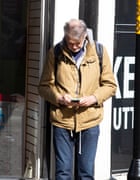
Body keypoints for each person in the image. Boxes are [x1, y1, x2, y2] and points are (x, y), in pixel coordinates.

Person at [38, 19, 117, 179]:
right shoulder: (56, 53)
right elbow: (44, 86)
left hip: (89, 122)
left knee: (86, 173)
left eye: (77, 43)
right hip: (62, 122)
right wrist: (59, 98)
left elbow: (110, 86)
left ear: (85, 37)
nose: (73, 47)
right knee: (63, 172)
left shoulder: (99, 52)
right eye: (70, 43)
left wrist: (93, 98)